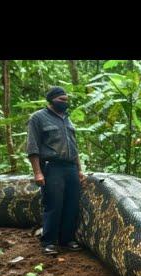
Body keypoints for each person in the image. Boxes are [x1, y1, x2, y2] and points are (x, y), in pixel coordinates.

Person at [27, 86, 86, 255]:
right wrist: (37, 172)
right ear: (51, 100)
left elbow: (74, 148)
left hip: (70, 168)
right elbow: (32, 147)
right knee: (53, 204)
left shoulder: (67, 119)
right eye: (62, 100)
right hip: (52, 167)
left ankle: (66, 240)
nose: (65, 103)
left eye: (67, 100)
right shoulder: (38, 118)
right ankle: (48, 242)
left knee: (71, 204)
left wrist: (79, 170)